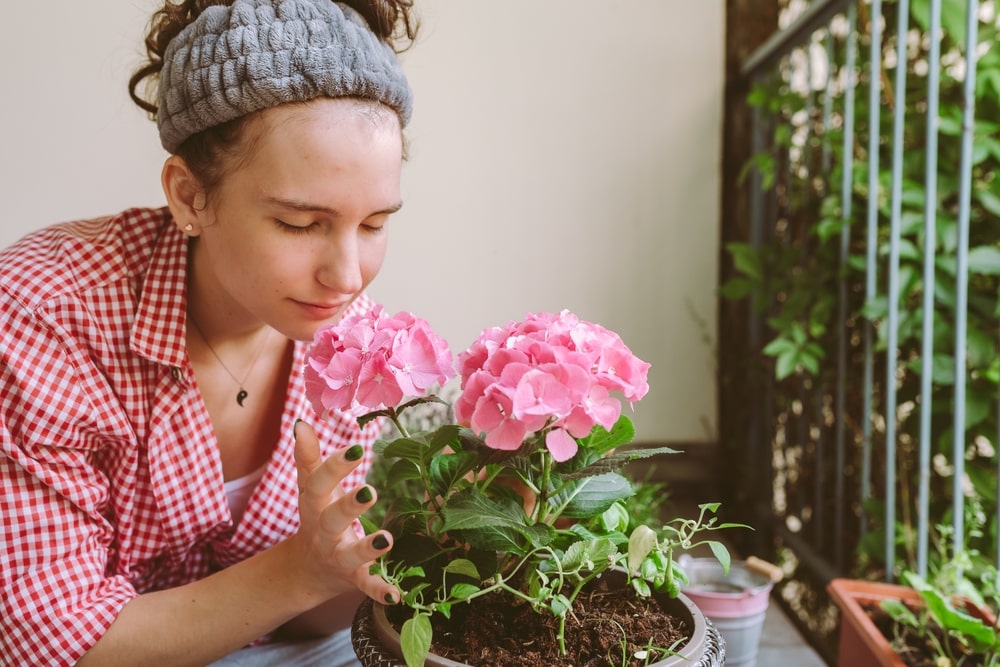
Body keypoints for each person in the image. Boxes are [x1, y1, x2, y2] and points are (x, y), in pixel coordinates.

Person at [0, 1, 417, 664]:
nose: (347, 277)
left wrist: (393, 550)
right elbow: (44, 637)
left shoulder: (351, 344)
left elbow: (310, 616)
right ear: (190, 195)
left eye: (372, 225)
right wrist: (296, 571)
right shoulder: (46, 314)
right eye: (300, 223)